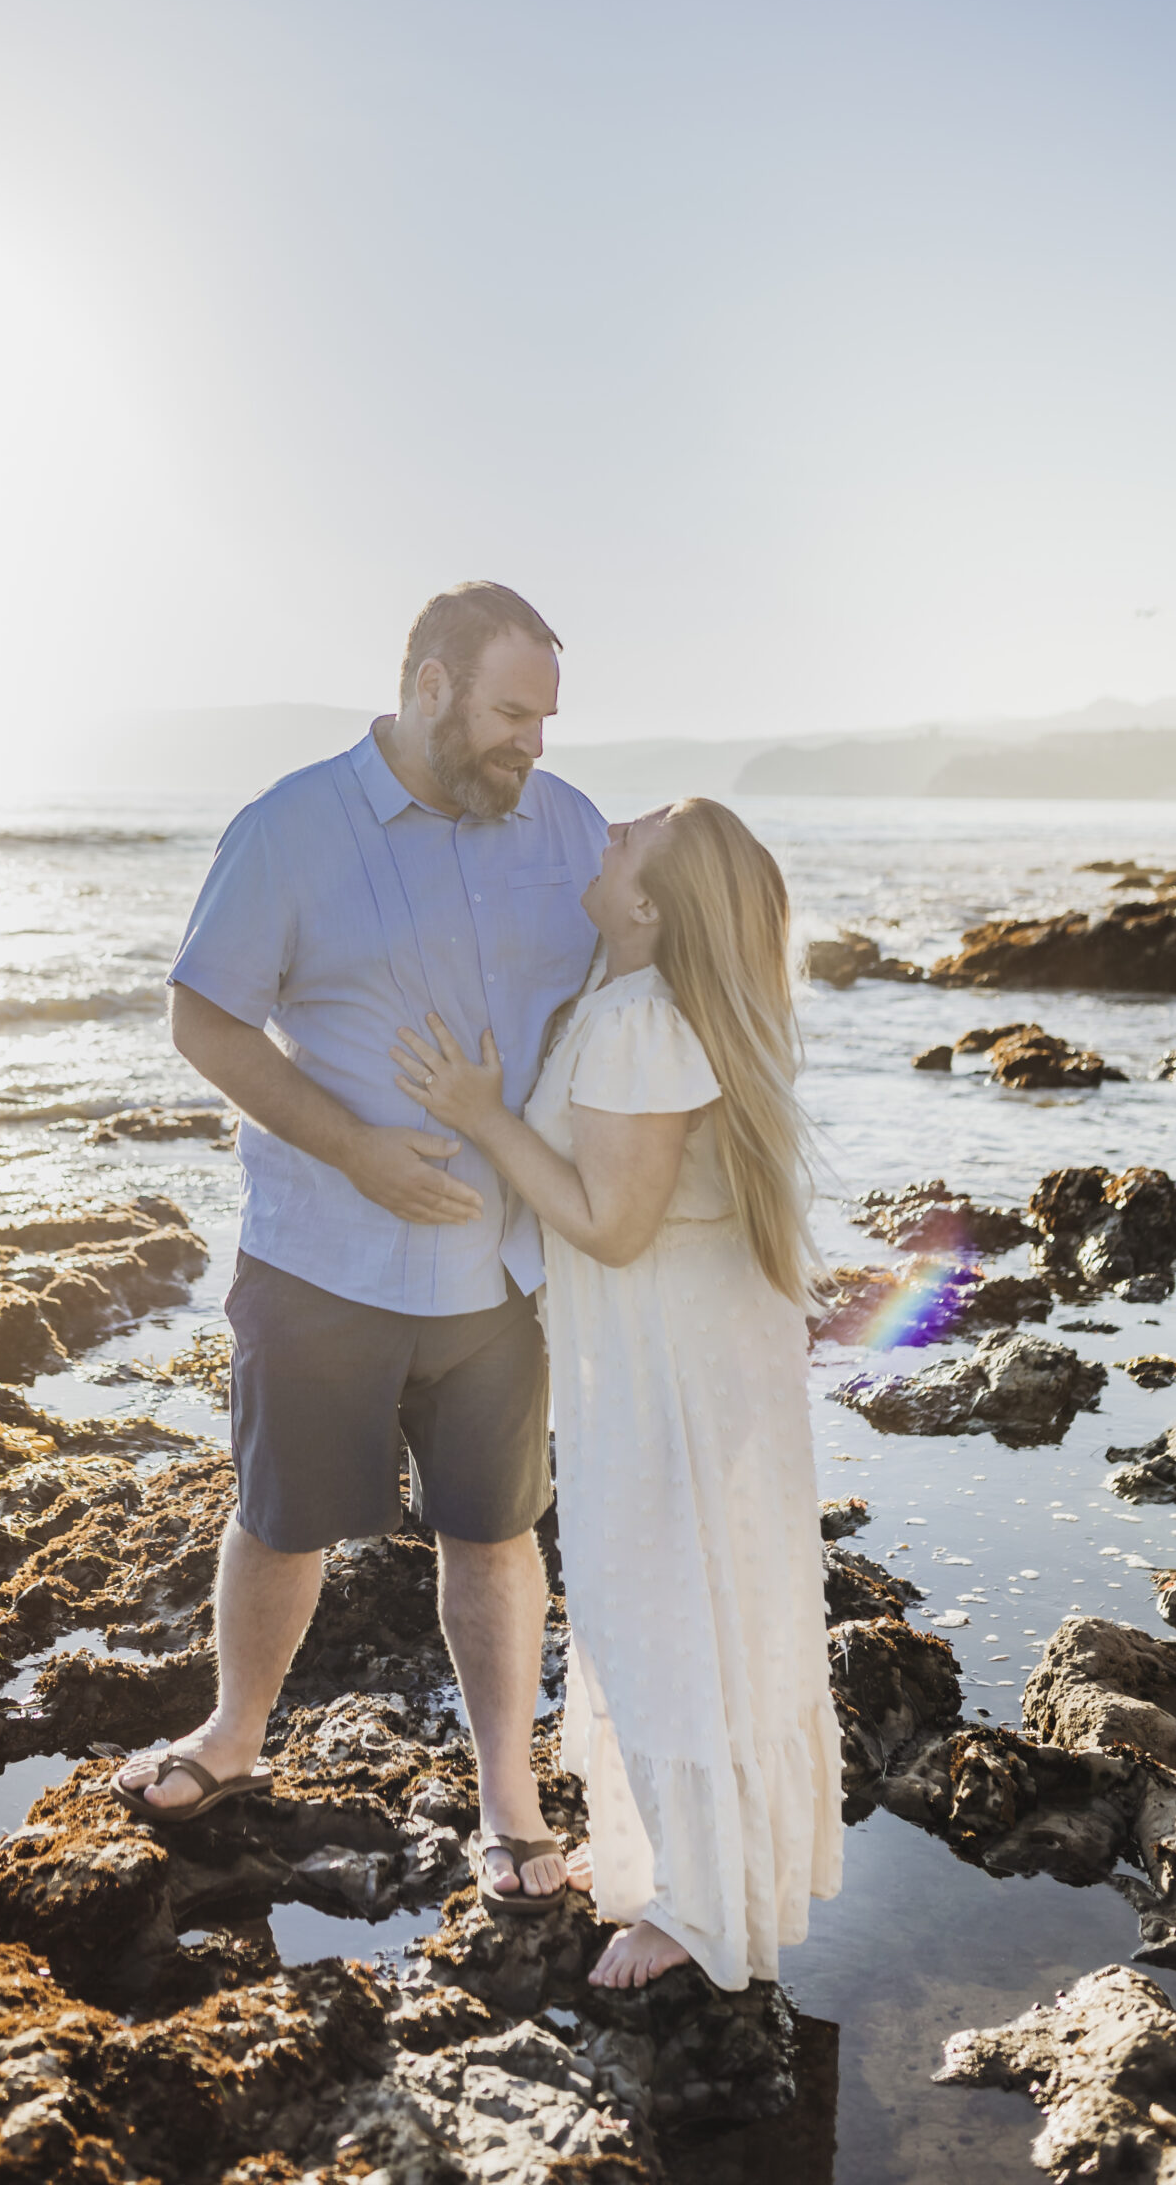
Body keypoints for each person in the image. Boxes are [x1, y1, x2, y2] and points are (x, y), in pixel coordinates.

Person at [109, 581, 607, 1910]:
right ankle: (230, 1741)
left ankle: (508, 1801)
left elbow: (644, 993)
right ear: (430, 686)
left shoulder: (565, 830)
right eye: (511, 713)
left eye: (545, 719)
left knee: (494, 1534)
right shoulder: (288, 826)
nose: (533, 746)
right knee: (279, 1522)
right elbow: (203, 1024)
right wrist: (354, 1148)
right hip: (322, 1259)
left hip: (504, 1279)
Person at [392, 798, 842, 1988]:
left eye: (627, 840)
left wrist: (482, 1117)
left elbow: (612, 1222)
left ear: (647, 905)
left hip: (669, 1367)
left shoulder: (643, 1019)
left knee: (668, 1618)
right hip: (685, 1348)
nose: (607, 831)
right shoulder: (634, 998)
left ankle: (697, 1913)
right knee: (686, 1610)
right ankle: (679, 1867)